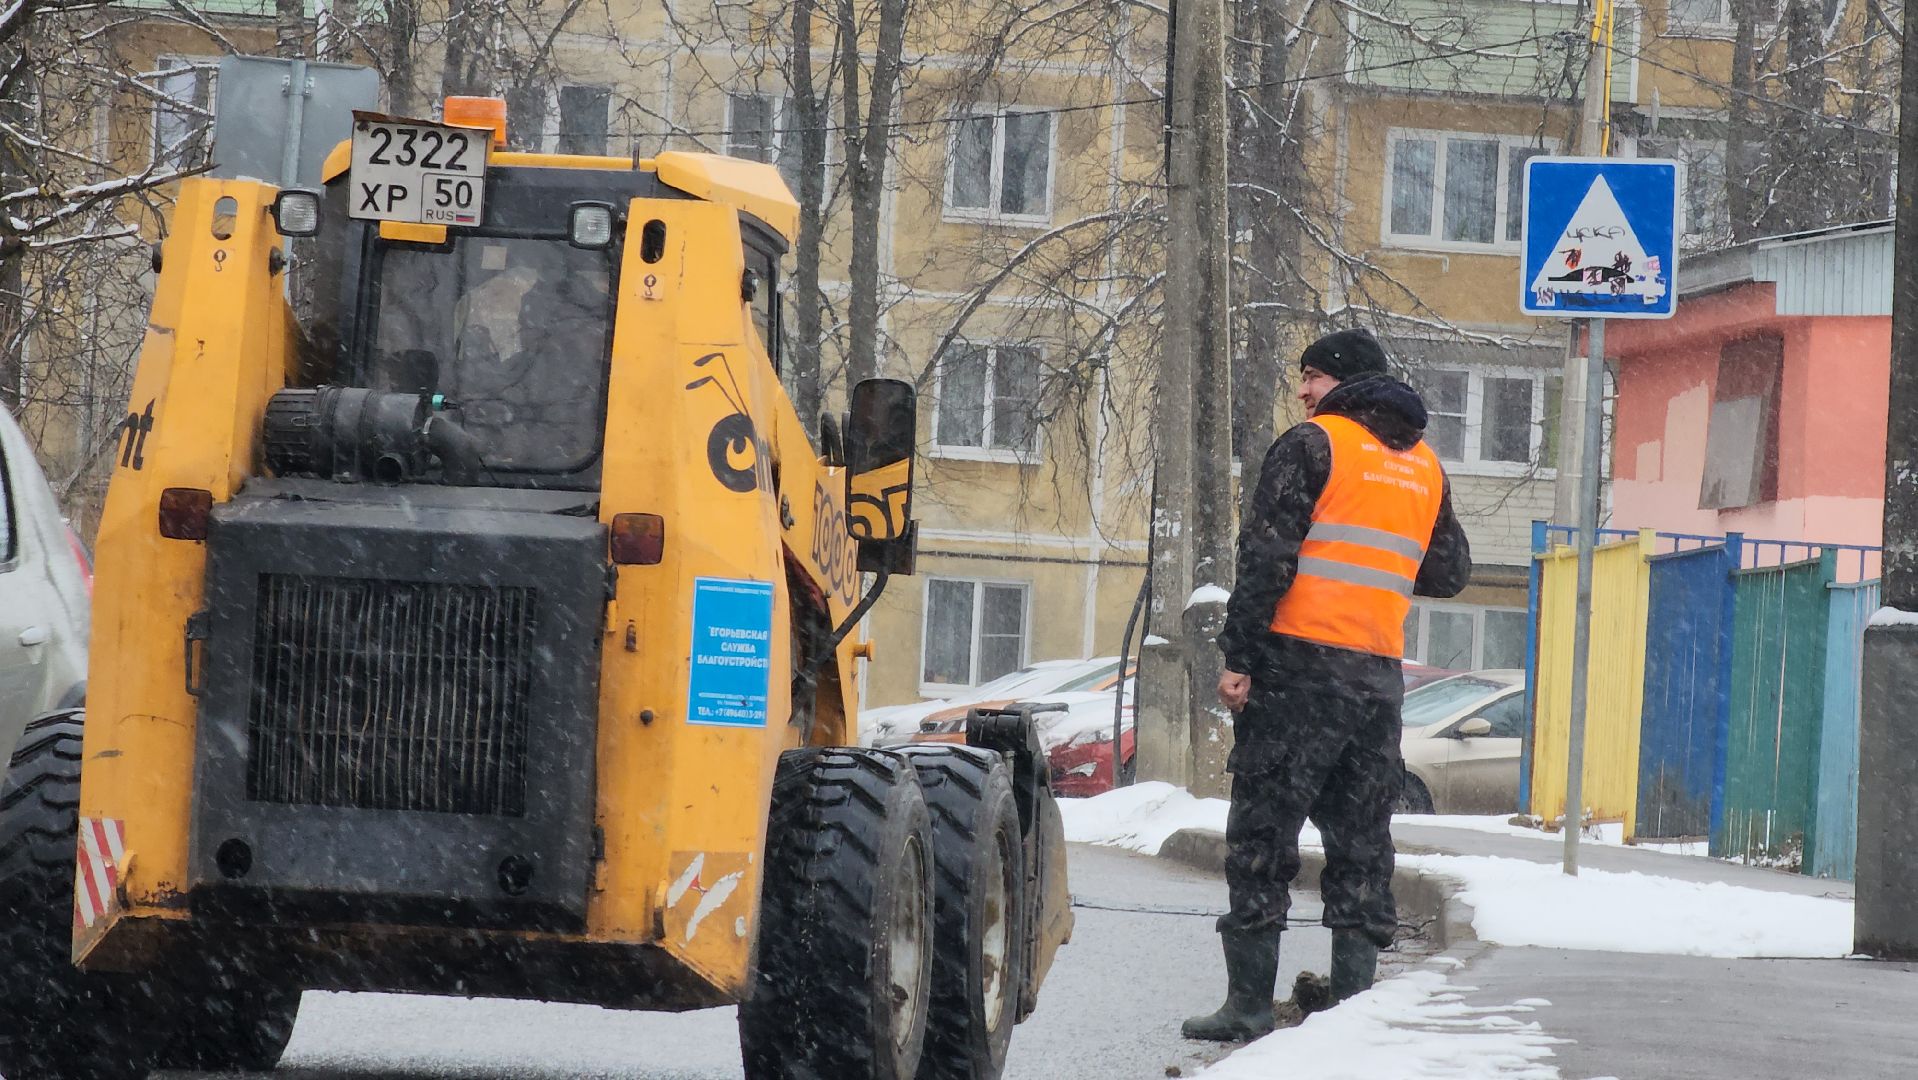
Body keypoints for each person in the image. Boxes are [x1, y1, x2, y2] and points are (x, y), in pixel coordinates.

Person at [1182, 328, 1472, 1042]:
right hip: (1375, 680)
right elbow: (1449, 572)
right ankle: (1352, 1005)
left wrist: (1240, 656)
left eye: (1309, 376)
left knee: (1261, 837)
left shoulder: (1312, 444)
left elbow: (1265, 557)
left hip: (1296, 670)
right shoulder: (1425, 464)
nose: (1303, 391)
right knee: (1362, 841)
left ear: (1339, 380)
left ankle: (1248, 1004)